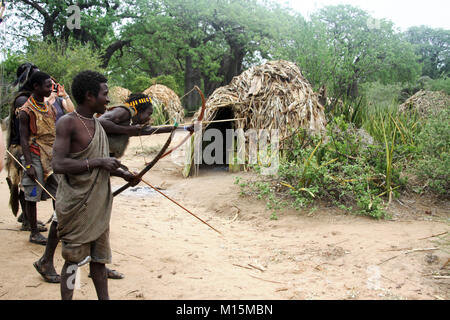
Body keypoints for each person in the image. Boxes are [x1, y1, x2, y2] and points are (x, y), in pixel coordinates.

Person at [51, 70, 138, 300]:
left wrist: (125, 175)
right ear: (90, 96)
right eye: (105, 94)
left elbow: (103, 165)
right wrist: (99, 161)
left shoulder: (98, 124)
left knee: (99, 261)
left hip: (98, 206)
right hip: (76, 206)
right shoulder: (67, 123)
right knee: (72, 261)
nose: (108, 100)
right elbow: (58, 164)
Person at [17, 71, 59, 245]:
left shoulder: (49, 107)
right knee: (32, 193)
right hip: (34, 155)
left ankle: (60, 229)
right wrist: (28, 165)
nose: (51, 89)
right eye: (48, 86)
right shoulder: (26, 111)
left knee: (58, 193)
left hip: (51, 154)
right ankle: (34, 231)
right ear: (36, 87)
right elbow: (24, 139)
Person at [5, 63, 47, 231]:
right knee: (26, 185)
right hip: (21, 148)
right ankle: (29, 221)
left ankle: (27, 217)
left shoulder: (29, 99)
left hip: (27, 146)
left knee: (26, 185)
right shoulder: (23, 101)